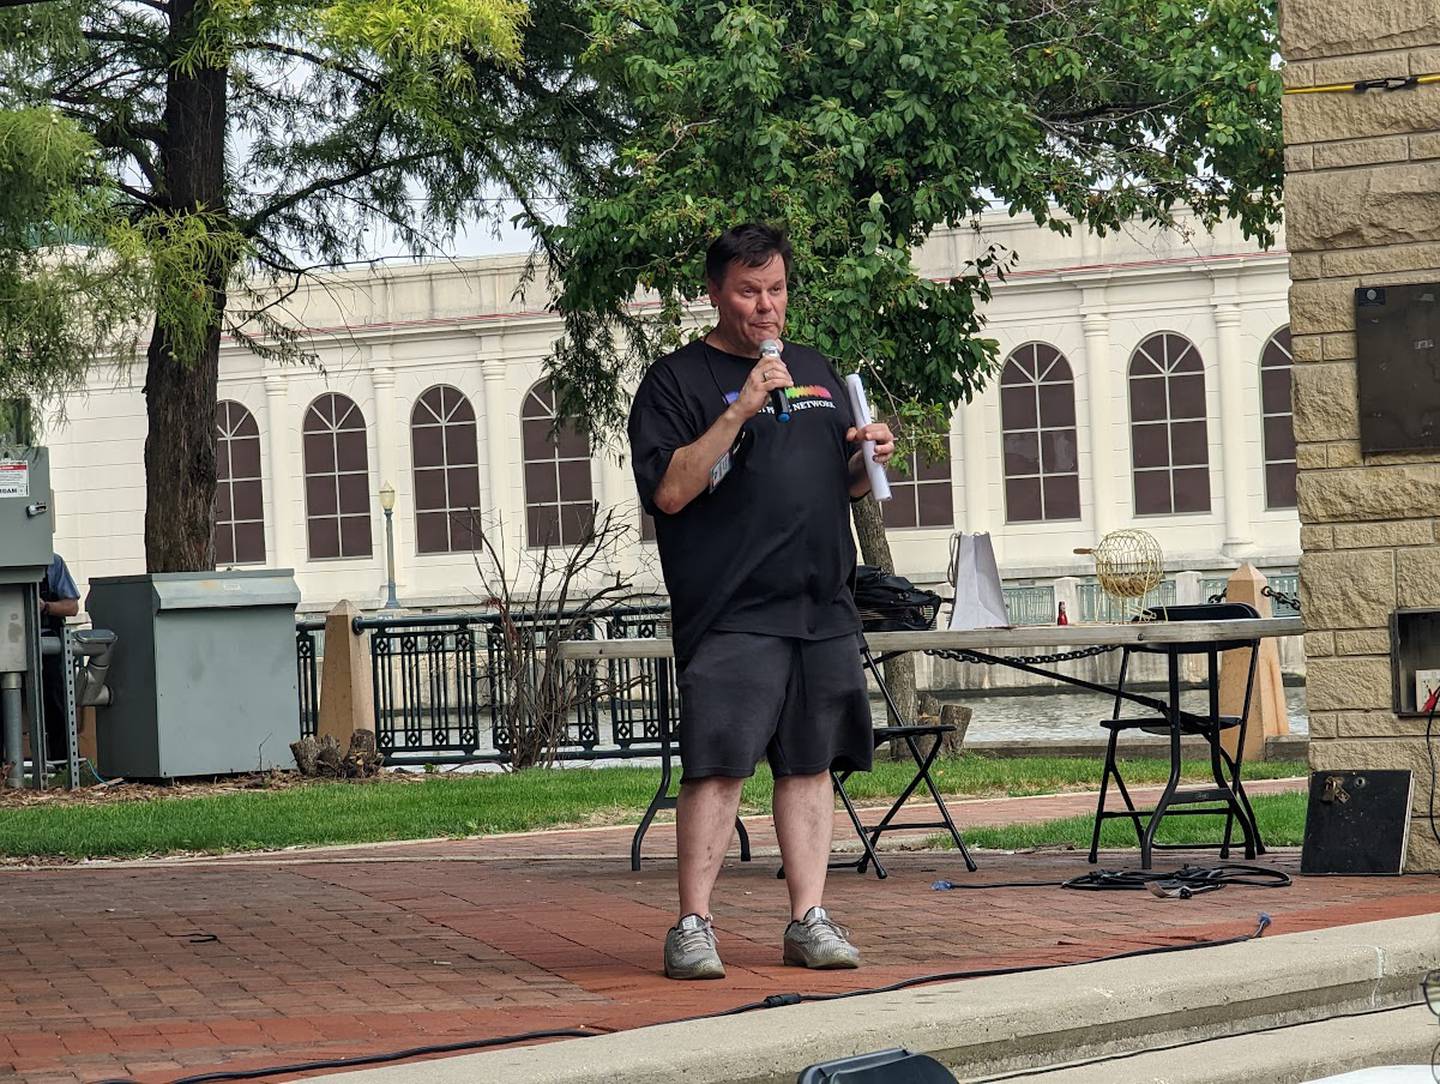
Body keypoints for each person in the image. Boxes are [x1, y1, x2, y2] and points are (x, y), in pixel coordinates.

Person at [628, 223, 896, 980]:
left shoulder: (813, 369)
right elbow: (672, 491)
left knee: (809, 765)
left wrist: (864, 458)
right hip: (733, 608)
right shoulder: (674, 383)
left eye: (776, 289)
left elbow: (830, 483)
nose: (766, 306)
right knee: (718, 767)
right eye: (749, 292)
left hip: (820, 602)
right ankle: (693, 925)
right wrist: (738, 408)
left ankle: (807, 918)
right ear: (715, 293)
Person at [38, 553, 81, 760]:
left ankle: (64, 762)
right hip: (10, 646)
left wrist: (46, 607)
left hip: (49, 645)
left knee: (56, 701)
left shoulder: (53, 562)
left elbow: (72, 607)